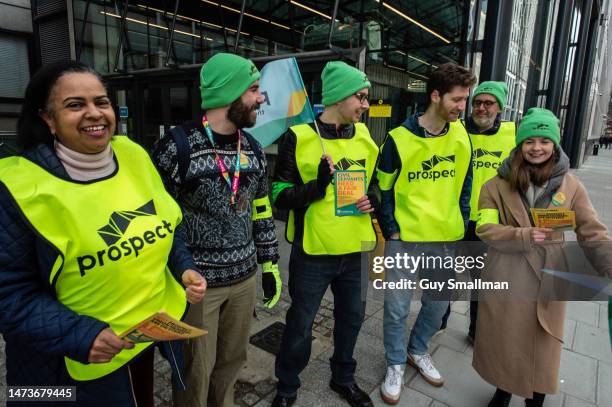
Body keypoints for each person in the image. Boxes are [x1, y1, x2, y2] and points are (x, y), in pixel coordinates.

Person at [0, 60, 206, 406]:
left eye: (102, 101)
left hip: (139, 342)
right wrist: (81, 334)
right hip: (65, 364)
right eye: (75, 105)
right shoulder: (14, 187)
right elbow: (8, 294)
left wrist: (182, 265)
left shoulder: (134, 153)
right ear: (47, 119)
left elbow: (165, 224)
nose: (94, 113)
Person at [152, 53, 281, 407]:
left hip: (243, 281)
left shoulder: (253, 149)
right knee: (196, 371)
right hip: (198, 288)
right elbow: (159, 220)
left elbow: (261, 210)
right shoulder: (176, 146)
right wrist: (179, 271)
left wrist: (269, 262)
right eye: (254, 89)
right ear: (229, 94)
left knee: (230, 364)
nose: (261, 98)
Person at [473, 107, 612, 407]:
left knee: (542, 341)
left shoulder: (572, 187)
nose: (537, 148)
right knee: (505, 339)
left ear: (555, 144)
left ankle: (536, 395)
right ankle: (503, 389)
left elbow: (592, 231)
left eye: (544, 141)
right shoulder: (494, 185)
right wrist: (520, 235)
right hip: (507, 272)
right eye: (529, 141)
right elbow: (484, 227)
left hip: (549, 277)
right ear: (520, 144)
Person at [271, 61, 379, 407]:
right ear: (337, 97)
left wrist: (372, 199)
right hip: (313, 253)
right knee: (300, 326)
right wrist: (317, 186)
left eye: (367, 98)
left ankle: (343, 379)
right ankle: (287, 387)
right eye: (360, 97)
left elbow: (376, 186)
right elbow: (279, 196)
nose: (366, 104)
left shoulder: (365, 137)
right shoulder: (300, 137)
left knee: (352, 320)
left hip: (356, 249)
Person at [377, 63, 475, 404]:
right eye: (457, 99)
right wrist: (391, 229)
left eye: (465, 99)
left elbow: (466, 186)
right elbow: (383, 189)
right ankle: (394, 363)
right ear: (435, 96)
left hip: (445, 239)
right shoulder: (398, 139)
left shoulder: (462, 135)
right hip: (405, 239)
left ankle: (417, 350)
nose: (463, 106)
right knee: (396, 308)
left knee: (437, 306)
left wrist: (460, 222)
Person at [453, 81, 516, 343]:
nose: (481, 108)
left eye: (488, 103)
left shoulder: (513, 135)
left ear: (499, 107)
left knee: (482, 282)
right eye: (477, 102)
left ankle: (476, 330)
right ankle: (439, 321)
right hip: (455, 217)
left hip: (488, 223)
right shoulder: (455, 129)